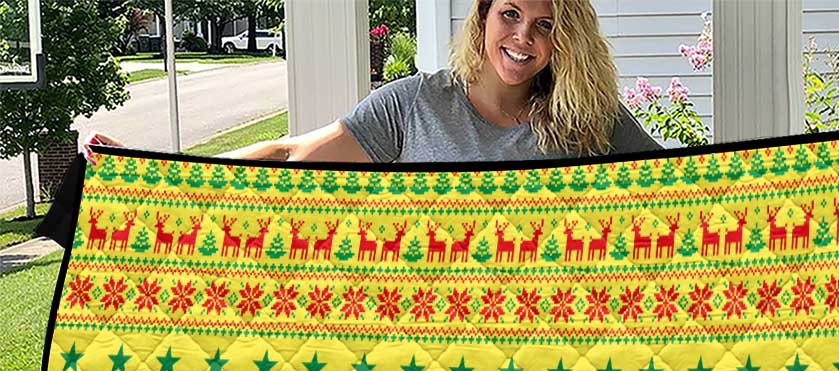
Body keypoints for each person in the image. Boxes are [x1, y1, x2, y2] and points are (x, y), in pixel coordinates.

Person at [85, 0, 661, 164]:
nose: (522, 37)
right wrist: (149, 165)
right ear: (483, 16)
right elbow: (292, 152)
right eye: (510, 14)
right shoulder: (415, 104)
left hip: (547, 354)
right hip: (428, 348)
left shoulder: (589, 115)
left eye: (545, 25)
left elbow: (683, 189)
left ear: (565, 39)